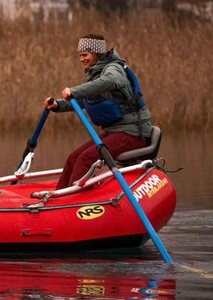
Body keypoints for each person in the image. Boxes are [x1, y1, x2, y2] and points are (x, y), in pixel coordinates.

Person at [45, 33, 152, 190]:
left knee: (85, 159)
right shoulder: (96, 73)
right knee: (73, 158)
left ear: (96, 53)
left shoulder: (113, 69)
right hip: (116, 132)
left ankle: (73, 201)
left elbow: (111, 81)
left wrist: (74, 91)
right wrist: (58, 105)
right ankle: (58, 198)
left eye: (84, 55)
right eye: (80, 55)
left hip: (133, 133)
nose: (81, 59)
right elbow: (84, 100)